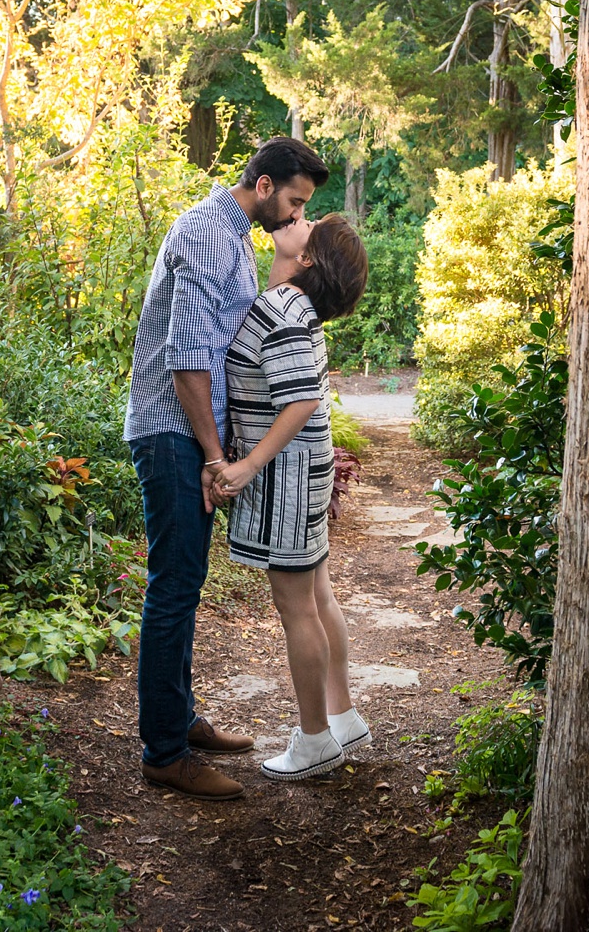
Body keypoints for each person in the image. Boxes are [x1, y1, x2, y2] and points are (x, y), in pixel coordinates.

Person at [127, 135, 331, 800]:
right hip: (173, 432)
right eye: (295, 200)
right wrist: (217, 456)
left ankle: (180, 719)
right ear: (265, 185)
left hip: (194, 433)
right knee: (174, 584)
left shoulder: (234, 235)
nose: (297, 215)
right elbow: (187, 363)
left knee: (184, 582)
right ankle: (164, 751)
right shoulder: (207, 235)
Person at [212, 214, 370, 782]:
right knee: (318, 595)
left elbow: (300, 401)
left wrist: (246, 465)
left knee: (297, 606)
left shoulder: (282, 309)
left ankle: (313, 740)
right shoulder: (293, 307)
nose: (297, 217)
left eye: (309, 223)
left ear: (307, 259)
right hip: (304, 469)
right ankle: (342, 717)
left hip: (287, 476)